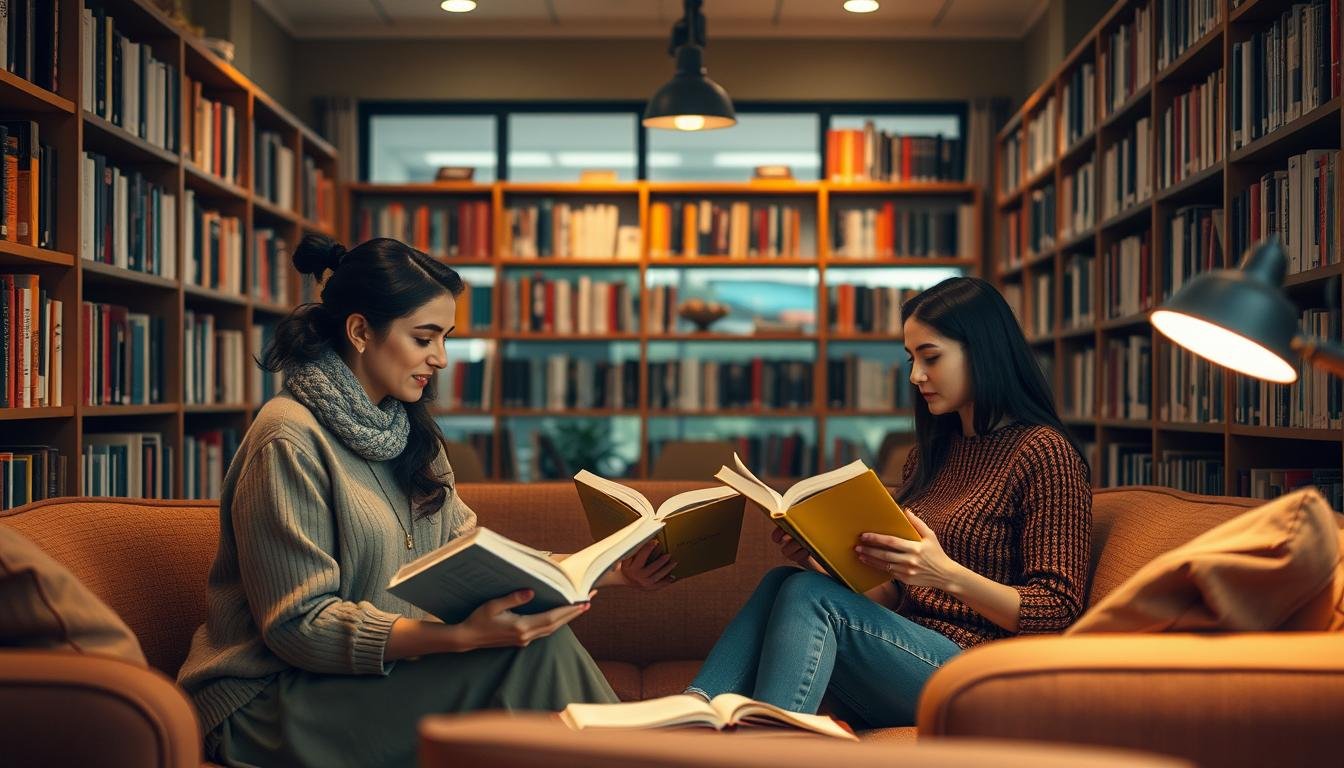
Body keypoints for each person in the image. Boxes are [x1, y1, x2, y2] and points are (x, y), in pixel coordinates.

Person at [178, 235, 672, 768]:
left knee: (536, 653)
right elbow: (299, 628)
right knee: (532, 658)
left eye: (446, 338)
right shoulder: (288, 439)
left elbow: (476, 558)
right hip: (272, 703)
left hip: (377, 678)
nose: (440, 358)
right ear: (361, 331)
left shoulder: (412, 435)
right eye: (424, 338)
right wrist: (458, 638)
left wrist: (605, 571)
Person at [684, 276, 1093, 728]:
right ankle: (690, 716)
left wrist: (947, 575)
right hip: (906, 653)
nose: (916, 376)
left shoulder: (1043, 453)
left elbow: (1056, 609)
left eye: (931, 357)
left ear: (983, 351)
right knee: (786, 579)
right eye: (911, 359)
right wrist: (823, 556)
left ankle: (766, 748)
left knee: (807, 594)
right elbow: (897, 598)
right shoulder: (933, 454)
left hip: (979, 673)